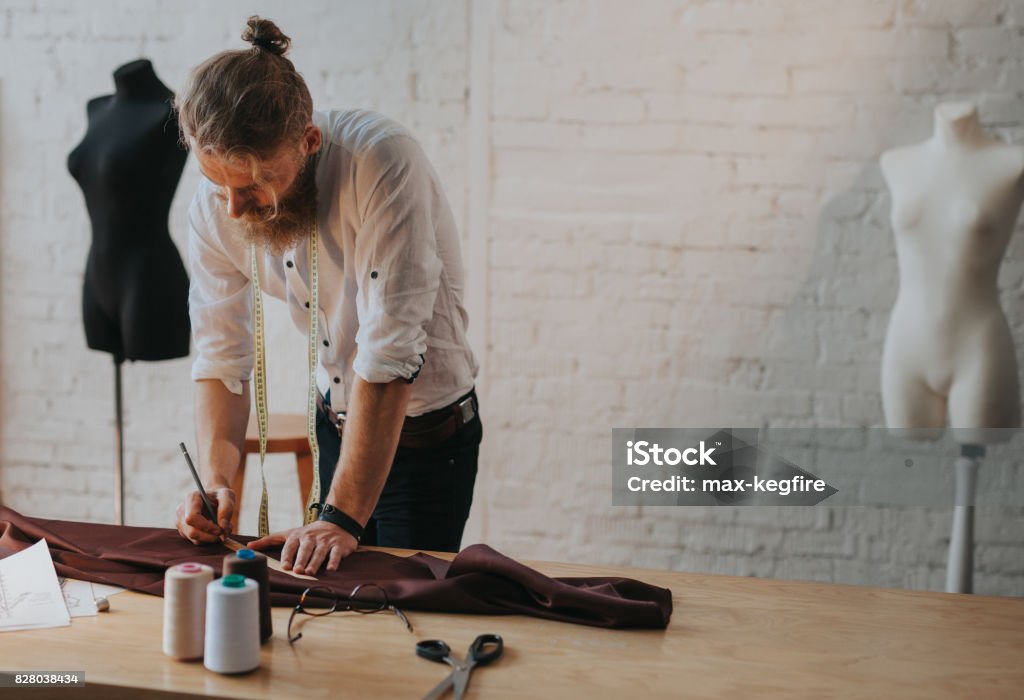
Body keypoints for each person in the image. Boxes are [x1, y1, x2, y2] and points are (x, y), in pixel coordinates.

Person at [173, 16, 481, 576]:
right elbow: (221, 358)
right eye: (219, 185)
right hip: (334, 426)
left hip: (426, 438)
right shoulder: (215, 205)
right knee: (332, 611)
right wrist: (217, 481)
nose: (234, 209)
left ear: (308, 142)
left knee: (405, 607)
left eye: (253, 186)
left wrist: (341, 514)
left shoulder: (383, 164)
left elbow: (388, 352)